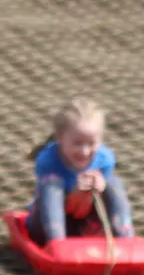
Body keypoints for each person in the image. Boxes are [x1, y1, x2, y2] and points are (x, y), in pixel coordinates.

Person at [27, 96, 134, 244]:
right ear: (60, 138)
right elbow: (51, 199)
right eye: (77, 143)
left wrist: (100, 188)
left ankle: (125, 239)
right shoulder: (47, 160)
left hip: (85, 221)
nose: (84, 151)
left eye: (91, 143)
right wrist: (76, 192)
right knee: (51, 184)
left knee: (113, 183)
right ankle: (57, 244)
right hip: (46, 225)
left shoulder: (105, 159)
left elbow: (97, 201)